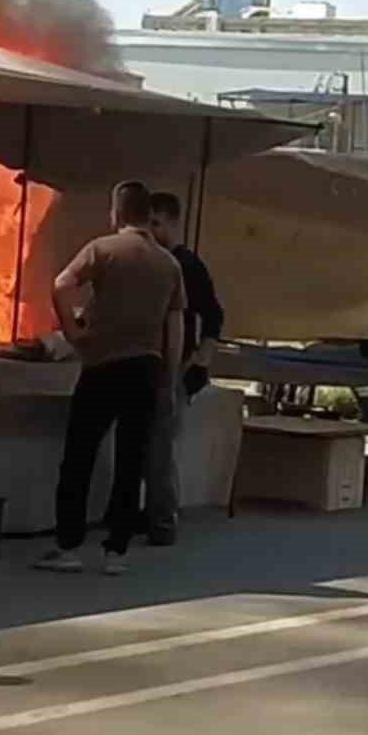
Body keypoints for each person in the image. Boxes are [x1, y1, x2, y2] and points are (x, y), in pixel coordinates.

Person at [36, 179, 185, 576]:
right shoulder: (169, 264)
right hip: (147, 369)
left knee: (79, 456)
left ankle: (68, 546)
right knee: (131, 459)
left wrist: (73, 333)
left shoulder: (102, 249)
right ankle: (116, 551)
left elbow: (62, 284)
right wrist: (168, 377)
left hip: (103, 366)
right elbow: (176, 326)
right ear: (147, 214)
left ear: (117, 212)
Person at [144, 191, 225, 545]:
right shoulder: (145, 262)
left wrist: (199, 362)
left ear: (174, 223)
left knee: (160, 446)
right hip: (145, 363)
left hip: (174, 367)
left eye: (157, 223)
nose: (152, 230)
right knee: (144, 444)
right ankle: (144, 512)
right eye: (148, 223)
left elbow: (213, 316)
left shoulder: (187, 266)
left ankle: (163, 520)